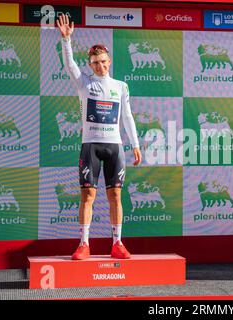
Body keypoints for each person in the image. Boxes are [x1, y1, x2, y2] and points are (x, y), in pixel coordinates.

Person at [56, 14, 142, 260]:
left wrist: (135, 144)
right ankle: (84, 244)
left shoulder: (121, 86)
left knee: (115, 195)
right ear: (90, 64)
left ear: (109, 61)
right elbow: (69, 65)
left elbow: (127, 117)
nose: (100, 66)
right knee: (88, 196)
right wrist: (66, 40)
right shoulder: (84, 83)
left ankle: (117, 243)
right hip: (91, 146)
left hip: (114, 146)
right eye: (95, 63)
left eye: (103, 61)